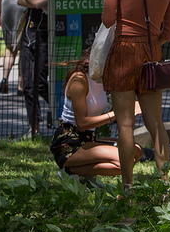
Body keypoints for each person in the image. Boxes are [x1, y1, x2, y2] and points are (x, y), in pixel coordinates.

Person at [102, 0, 170, 192]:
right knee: (156, 124)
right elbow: (168, 32)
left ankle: (127, 187)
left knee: (125, 124)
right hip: (151, 52)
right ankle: (165, 186)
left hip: (123, 51)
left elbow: (108, 19)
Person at [50, 49, 142, 179]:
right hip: (70, 141)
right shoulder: (79, 80)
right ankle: (70, 172)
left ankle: (83, 175)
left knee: (137, 151)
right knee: (124, 162)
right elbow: (82, 124)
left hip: (89, 138)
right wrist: (117, 113)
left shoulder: (102, 79)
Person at [17, 0, 67, 138]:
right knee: (28, 84)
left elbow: (37, 1)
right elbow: (23, 1)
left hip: (47, 35)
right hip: (29, 32)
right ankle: (33, 127)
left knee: (39, 82)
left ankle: (59, 111)